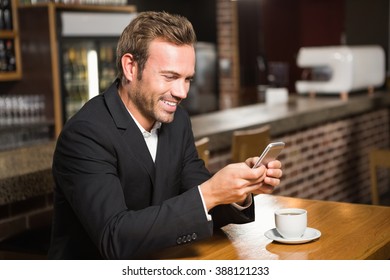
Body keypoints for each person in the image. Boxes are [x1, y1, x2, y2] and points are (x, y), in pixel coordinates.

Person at [48, 11, 282, 260]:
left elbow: (199, 199)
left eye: (187, 79)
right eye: (170, 77)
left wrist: (240, 190)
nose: (181, 92)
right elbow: (114, 237)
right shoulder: (85, 134)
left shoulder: (177, 121)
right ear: (130, 67)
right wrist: (210, 193)